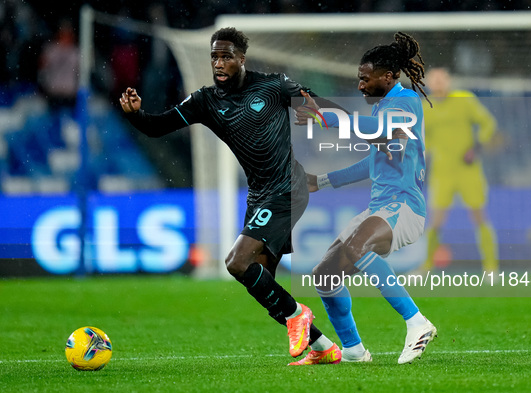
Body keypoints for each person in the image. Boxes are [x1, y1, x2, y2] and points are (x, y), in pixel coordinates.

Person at [119, 27, 341, 365]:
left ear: (241, 59)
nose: (218, 63)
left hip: (287, 187)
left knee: (237, 262)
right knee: (265, 287)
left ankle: (299, 315)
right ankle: (324, 347)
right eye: (214, 57)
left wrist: (320, 111)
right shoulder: (205, 100)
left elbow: (318, 105)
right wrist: (137, 115)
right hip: (260, 194)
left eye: (226, 57)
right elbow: (158, 126)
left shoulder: (272, 85)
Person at [297, 32, 437, 365]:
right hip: (380, 208)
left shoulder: (405, 102)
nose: (360, 86)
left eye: (365, 79)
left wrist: (327, 117)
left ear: (388, 77)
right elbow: (373, 162)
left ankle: (417, 322)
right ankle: (354, 351)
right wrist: (322, 181)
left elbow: (381, 131)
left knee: (356, 247)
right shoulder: (387, 107)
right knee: (325, 275)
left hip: (404, 206)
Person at [421, 68, 498, 274]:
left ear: (449, 81)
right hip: (442, 171)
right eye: (434, 80)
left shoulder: (464, 100)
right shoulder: (424, 107)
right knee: (436, 220)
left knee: (479, 215)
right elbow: (423, 139)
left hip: (468, 170)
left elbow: (488, 123)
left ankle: (491, 268)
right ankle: (426, 267)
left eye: (441, 79)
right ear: (428, 83)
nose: (438, 83)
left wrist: (477, 147)